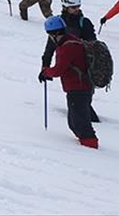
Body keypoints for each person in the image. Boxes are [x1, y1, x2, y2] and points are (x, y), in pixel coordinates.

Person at [39, 16, 99, 149]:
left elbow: (59, 69)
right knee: (74, 122)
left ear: (54, 33)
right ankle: (85, 146)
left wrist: (46, 72)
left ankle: (91, 148)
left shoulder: (68, 47)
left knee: (80, 123)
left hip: (79, 88)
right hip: (78, 87)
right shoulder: (70, 41)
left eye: (49, 34)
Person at [41, 0, 100, 123]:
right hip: (67, 65)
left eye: (78, 6)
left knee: (82, 98)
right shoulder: (57, 23)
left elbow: (93, 45)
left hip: (84, 67)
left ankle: (90, 124)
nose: (77, 9)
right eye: (73, 7)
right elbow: (49, 47)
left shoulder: (84, 23)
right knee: (76, 96)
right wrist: (45, 67)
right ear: (65, 6)